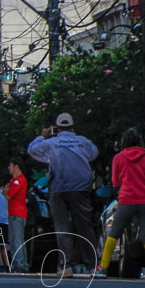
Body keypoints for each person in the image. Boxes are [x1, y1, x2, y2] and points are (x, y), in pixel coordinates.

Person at [27, 112, 99, 277]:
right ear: (73, 127)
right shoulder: (82, 141)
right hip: (81, 188)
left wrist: (42, 136)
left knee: (62, 227)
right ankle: (92, 265)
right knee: (84, 226)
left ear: (57, 128)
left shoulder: (52, 143)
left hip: (59, 188)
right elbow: (94, 153)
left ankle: (66, 265)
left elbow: (32, 150)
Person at [95, 128, 145, 280]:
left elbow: (115, 182)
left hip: (126, 200)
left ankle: (103, 268)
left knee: (114, 234)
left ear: (124, 142)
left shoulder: (119, 158)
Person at [5, 156, 30, 273]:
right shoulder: (13, 180)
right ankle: (21, 263)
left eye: (10, 166)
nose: (9, 168)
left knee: (16, 239)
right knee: (16, 239)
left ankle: (20, 264)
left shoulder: (19, 180)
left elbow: (8, 194)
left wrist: (5, 190)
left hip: (17, 213)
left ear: (16, 167)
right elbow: (6, 191)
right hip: (14, 213)